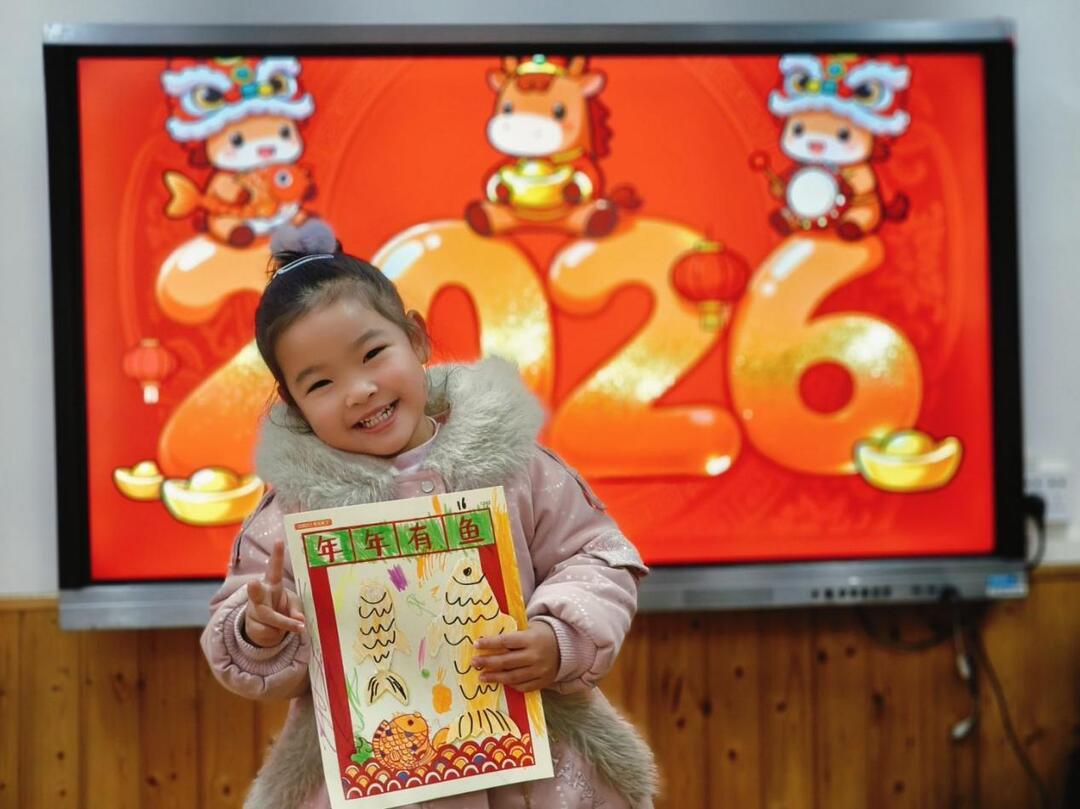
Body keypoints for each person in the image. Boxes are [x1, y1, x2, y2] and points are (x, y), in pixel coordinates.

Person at [200, 221, 658, 809]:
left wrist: (558, 637)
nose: (359, 390)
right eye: (321, 383)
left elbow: (597, 555)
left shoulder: (514, 466)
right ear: (294, 404)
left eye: (372, 354)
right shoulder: (291, 510)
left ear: (415, 339)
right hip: (370, 782)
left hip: (534, 770)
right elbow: (241, 634)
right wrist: (260, 631)